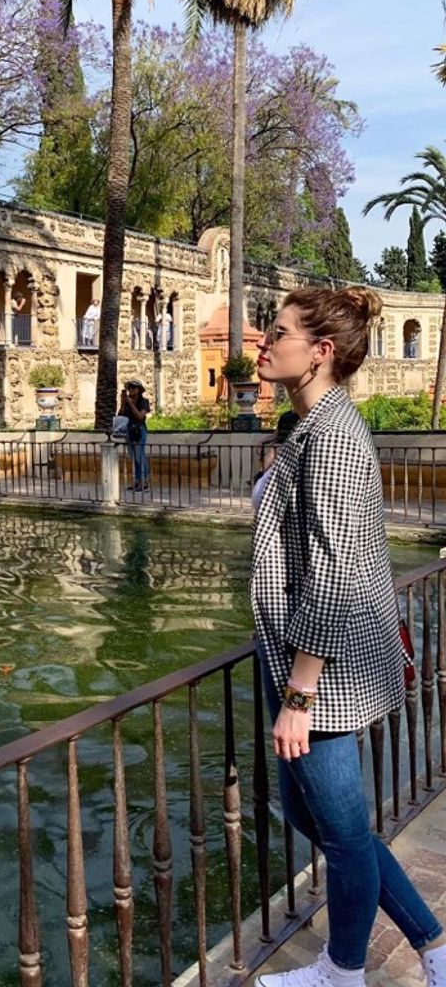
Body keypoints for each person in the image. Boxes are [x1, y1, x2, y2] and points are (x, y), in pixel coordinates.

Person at [252, 286, 446, 987]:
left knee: (340, 832)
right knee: (318, 816)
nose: (263, 342)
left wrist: (299, 694)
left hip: (321, 674)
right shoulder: (310, 427)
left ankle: (341, 971)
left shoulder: (330, 436)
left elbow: (332, 573)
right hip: (313, 662)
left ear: (321, 352)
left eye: (277, 333)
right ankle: (432, 942)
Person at [118, 379, 150, 491]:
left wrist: (131, 405)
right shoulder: (127, 402)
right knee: (133, 457)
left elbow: (140, 416)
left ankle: (144, 482)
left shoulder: (144, 402)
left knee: (140, 457)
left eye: (133, 388)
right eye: (129, 388)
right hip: (129, 432)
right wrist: (123, 403)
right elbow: (121, 415)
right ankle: (137, 481)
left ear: (139, 390)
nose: (131, 390)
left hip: (140, 431)